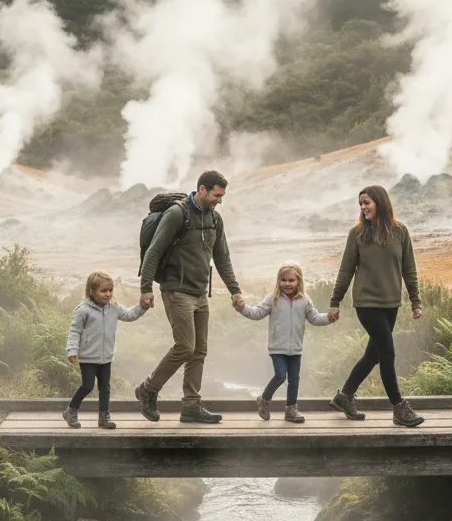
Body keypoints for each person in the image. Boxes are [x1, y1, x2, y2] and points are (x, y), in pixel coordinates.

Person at [134, 169, 244, 424]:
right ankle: (148, 390)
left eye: (222, 196)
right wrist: (145, 289)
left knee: (199, 351)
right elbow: (153, 251)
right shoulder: (177, 214)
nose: (220, 200)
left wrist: (235, 290)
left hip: (200, 293)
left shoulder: (215, 219)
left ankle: (191, 405)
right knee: (185, 346)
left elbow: (222, 257)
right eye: (217, 195)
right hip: (176, 290)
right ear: (202, 189)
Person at [328, 185, 425, 427]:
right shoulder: (357, 234)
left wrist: (415, 300)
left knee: (373, 354)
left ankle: (344, 396)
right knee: (387, 353)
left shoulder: (400, 231)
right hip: (366, 303)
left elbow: (409, 269)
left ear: (380, 203)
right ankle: (399, 408)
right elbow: (346, 269)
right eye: (360, 203)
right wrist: (335, 301)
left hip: (391, 303)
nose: (363, 207)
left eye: (367, 202)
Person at [237, 263, 336, 423]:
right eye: (283, 280)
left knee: (294, 379)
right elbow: (257, 313)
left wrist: (329, 318)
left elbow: (315, 318)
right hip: (277, 347)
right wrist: (242, 308)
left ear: (299, 281)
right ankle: (264, 399)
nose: (287, 284)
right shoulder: (273, 298)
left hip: (296, 348)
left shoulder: (304, 300)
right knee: (281, 375)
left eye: (291, 280)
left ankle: (291, 411)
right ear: (278, 281)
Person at [63, 271, 148, 429]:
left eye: (110, 290)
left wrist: (142, 306)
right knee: (87, 386)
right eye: (104, 291)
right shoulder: (83, 310)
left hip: (106, 357)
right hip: (88, 357)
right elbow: (74, 331)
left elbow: (129, 314)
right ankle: (71, 411)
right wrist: (72, 350)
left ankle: (104, 417)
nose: (108, 294)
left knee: (105, 387)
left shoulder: (114, 308)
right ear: (91, 291)